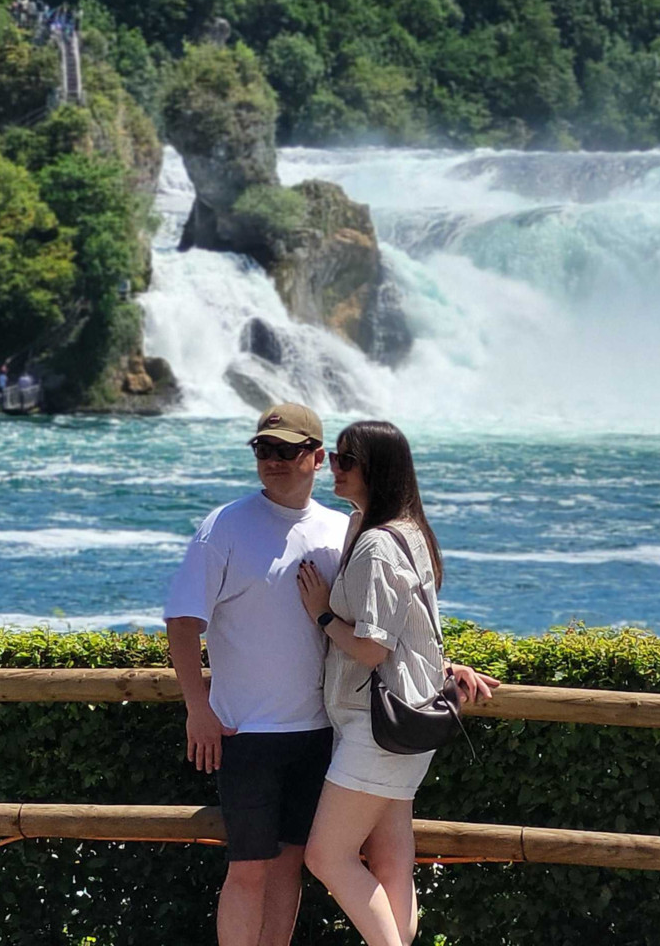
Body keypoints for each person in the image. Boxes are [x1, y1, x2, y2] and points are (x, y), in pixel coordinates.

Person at [294, 421, 500, 946]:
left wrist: (320, 614)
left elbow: (372, 646)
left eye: (346, 460)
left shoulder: (375, 546)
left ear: (376, 470)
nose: (334, 468)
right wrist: (445, 666)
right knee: (389, 863)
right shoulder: (399, 530)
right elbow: (414, 626)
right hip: (406, 720)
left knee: (326, 855)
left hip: (375, 727)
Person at [165, 404, 347, 946]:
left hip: (318, 731)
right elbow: (182, 622)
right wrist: (199, 710)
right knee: (247, 869)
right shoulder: (223, 526)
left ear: (317, 457)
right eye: (264, 450)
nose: (274, 461)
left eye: (287, 451)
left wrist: (444, 662)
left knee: (291, 865)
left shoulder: (343, 530)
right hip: (243, 734)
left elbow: (381, 621)